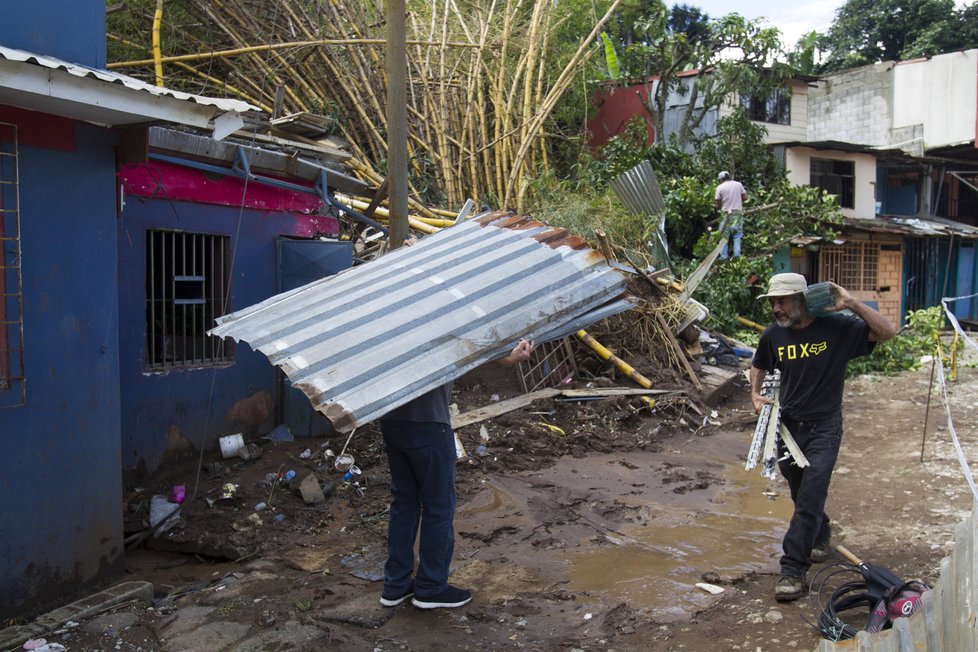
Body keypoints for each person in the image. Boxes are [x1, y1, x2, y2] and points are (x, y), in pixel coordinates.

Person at [749, 273, 896, 602]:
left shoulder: (838, 328)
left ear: (802, 299)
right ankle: (820, 533)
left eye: (782, 301)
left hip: (825, 426)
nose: (776, 308)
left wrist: (853, 303)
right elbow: (758, 363)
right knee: (801, 492)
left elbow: (887, 332)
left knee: (811, 494)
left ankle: (792, 569)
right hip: (788, 426)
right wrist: (755, 395)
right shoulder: (774, 335)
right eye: (773, 302)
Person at [378, 337, 534, 610]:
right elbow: (467, 345)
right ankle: (430, 587)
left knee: (404, 502)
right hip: (428, 424)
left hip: (392, 420)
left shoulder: (392, 317)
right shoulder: (438, 311)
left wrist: (507, 358)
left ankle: (395, 585)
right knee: (439, 506)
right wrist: (508, 358)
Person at [714, 171, 747, 259]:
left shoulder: (719, 188)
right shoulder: (738, 184)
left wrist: (722, 204)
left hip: (726, 215)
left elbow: (717, 205)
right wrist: (737, 201)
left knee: (724, 237)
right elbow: (745, 197)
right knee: (737, 235)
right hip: (738, 214)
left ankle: (724, 257)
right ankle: (736, 255)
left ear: (721, 179)